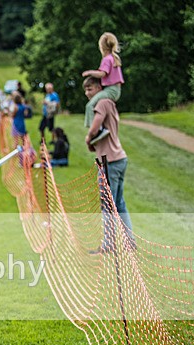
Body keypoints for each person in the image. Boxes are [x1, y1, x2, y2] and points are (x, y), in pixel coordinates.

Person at [83, 76, 133, 252]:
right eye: (86, 90)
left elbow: (95, 126)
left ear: (99, 88)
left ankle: (109, 244)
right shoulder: (109, 102)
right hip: (119, 158)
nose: (87, 93)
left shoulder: (102, 102)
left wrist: (88, 138)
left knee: (107, 204)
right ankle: (129, 242)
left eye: (90, 89)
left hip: (110, 161)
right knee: (119, 202)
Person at [82, 32, 124, 141]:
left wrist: (90, 72)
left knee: (90, 105)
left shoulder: (107, 59)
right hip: (116, 90)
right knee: (94, 105)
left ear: (101, 47)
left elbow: (102, 73)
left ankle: (97, 131)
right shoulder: (114, 58)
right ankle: (98, 129)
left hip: (111, 90)